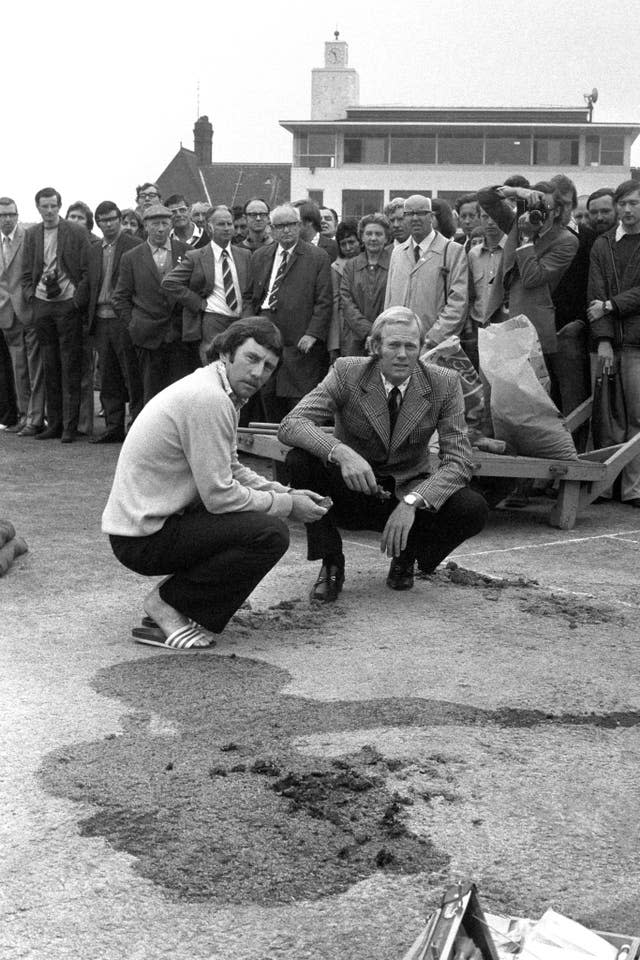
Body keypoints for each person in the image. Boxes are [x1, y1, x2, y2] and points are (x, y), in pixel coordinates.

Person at [102, 317, 328, 650]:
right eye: (251, 359)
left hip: (152, 527)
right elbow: (220, 496)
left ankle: (185, 600)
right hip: (142, 539)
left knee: (258, 523)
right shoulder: (210, 399)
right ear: (225, 352)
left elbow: (230, 468)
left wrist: (284, 491)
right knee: (270, 534)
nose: (258, 373)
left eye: (268, 366)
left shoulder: (216, 388)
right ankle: (167, 604)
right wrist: (288, 507)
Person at [279, 306, 488, 600]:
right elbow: (292, 423)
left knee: (473, 508)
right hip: (350, 492)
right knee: (299, 461)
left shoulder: (444, 382)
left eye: (410, 346)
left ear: (420, 348)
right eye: (394, 345)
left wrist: (414, 501)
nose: (402, 354)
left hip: (404, 492)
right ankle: (331, 561)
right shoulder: (346, 371)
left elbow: (459, 462)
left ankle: (409, 556)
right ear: (376, 347)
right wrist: (340, 452)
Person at [476, 180, 579, 393]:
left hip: (530, 330)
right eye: (534, 207)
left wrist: (527, 238)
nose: (537, 213)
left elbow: (533, 278)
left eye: (544, 208)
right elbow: (485, 197)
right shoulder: (517, 221)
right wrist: (516, 191)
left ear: (558, 210)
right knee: (492, 394)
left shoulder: (566, 240)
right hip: (498, 320)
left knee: (527, 399)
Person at [251, 203, 332, 420]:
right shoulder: (260, 256)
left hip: (300, 338)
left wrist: (313, 334)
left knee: (298, 400)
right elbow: (251, 296)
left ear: (299, 226)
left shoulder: (317, 257)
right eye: (280, 226)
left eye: (291, 225)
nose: (286, 230)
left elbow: (324, 301)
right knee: (268, 394)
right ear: (271, 229)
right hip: (266, 334)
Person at [22, 187, 90, 442]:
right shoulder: (32, 234)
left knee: (70, 365)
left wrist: (76, 300)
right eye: (44, 206)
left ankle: (70, 427)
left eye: (53, 206)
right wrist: (32, 296)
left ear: (59, 207)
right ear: (38, 208)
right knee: (49, 366)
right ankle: (55, 423)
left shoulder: (76, 231)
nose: (49, 211)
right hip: (42, 304)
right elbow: (26, 271)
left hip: (67, 305)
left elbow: (86, 271)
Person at [588, 179, 640, 507]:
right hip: (609, 344)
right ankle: (603, 486)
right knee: (606, 418)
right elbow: (594, 293)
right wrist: (603, 340)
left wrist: (610, 305)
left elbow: (606, 301)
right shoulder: (602, 244)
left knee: (637, 418)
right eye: (623, 204)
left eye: (634, 203)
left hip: (637, 344)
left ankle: (634, 489)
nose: (628, 210)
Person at [112, 204, 197, 404]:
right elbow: (120, 298)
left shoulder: (188, 252)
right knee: (149, 395)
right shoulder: (131, 257)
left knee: (180, 395)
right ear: (146, 226)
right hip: (147, 336)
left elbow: (197, 288)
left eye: (165, 223)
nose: (160, 228)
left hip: (180, 337)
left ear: (171, 226)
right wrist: (134, 323)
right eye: (155, 224)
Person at [74, 201, 144, 443]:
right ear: (99, 223)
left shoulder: (135, 246)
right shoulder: (93, 250)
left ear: (119, 219)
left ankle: (136, 425)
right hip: (100, 321)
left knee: (131, 375)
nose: (109, 223)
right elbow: (88, 283)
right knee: (107, 376)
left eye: (113, 218)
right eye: (104, 220)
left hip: (123, 319)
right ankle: (113, 426)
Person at [162, 204, 253, 364]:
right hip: (213, 320)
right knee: (214, 365)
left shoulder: (245, 255)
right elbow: (170, 282)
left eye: (229, 224)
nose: (227, 228)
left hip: (241, 320)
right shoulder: (196, 256)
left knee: (240, 366)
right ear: (210, 228)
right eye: (221, 224)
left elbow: (250, 290)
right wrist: (198, 303)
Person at [384, 195, 468, 347]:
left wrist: (431, 340)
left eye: (421, 213)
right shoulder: (397, 253)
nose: (415, 218)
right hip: (399, 343)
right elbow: (389, 302)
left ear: (431, 217)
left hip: (435, 345)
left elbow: (458, 303)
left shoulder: (452, 251)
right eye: (409, 214)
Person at [0, 196, 45, 436]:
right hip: (6, 314)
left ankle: (36, 418)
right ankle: (23, 414)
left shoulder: (28, 237)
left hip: (28, 310)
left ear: (18, 215)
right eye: (3, 215)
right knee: (18, 368)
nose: (7, 219)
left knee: (35, 367)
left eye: (11, 214)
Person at [340, 213, 392, 356]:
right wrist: (368, 330)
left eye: (378, 234)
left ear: (386, 238)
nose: (373, 238)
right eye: (369, 233)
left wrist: (379, 332)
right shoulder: (351, 265)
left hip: (386, 337)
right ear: (362, 237)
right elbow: (346, 301)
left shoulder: (395, 263)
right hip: (354, 339)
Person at [328, 218, 360, 359]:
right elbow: (335, 303)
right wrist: (334, 344)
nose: (348, 248)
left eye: (351, 242)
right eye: (343, 244)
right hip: (345, 326)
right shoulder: (336, 267)